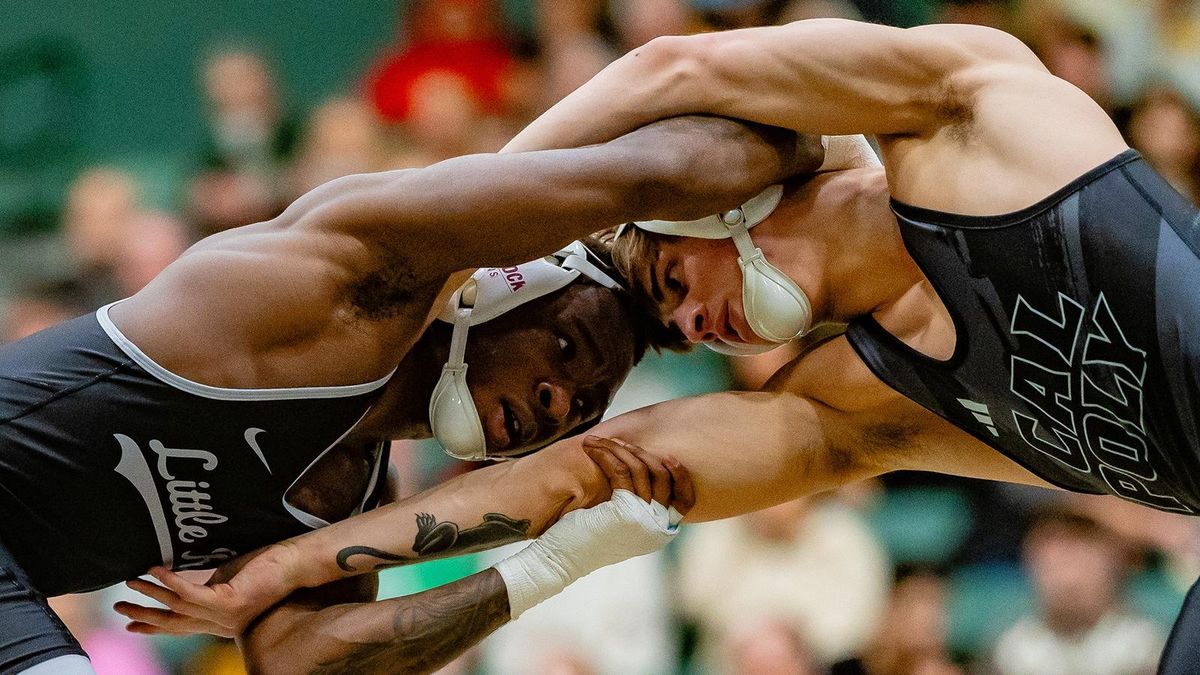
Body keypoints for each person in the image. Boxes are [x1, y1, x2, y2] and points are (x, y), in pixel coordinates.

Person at [126, 17, 1200, 670]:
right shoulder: (863, 406)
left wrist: (460, 239)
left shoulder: (973, 119)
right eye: (673, 325)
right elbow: (583, 473)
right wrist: (281, 570)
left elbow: (674, 70)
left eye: (676, 277)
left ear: (726, 194)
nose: (688, 326)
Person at [0, 112, 812, 674]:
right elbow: (656, 170)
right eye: (567, 349)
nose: (561, 401)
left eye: (587, 403)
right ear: (499, 286)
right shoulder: (331, 289)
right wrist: (832, 155)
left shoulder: (352, 501)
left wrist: (553, 564)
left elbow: (298, 661)